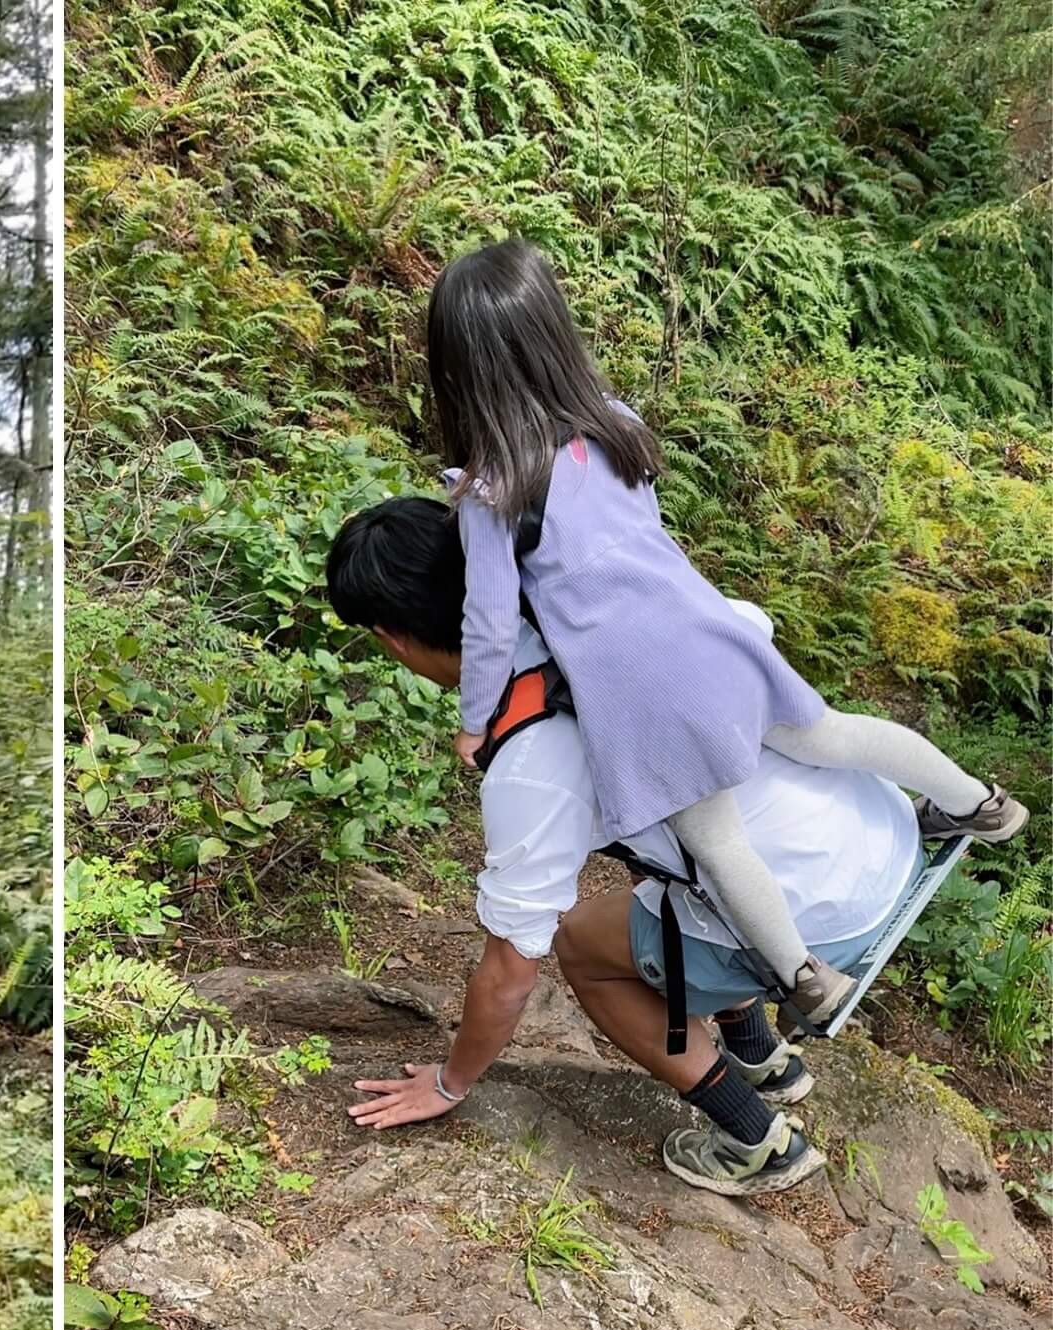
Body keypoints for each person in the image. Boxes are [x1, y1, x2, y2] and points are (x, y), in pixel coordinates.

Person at [425, 240, 1026, 1026]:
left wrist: (476, 723)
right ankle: (978, 802)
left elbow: (490, 623)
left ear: (458, 372)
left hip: (644, 687)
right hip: (713, 633)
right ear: (554, 337)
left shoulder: (494, 494)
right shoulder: (615, 426)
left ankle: (805, 974)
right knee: (830, 736)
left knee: (713, 836)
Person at [327, 494, 933, 1195]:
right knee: (674, 875)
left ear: (392, 639)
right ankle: (764, 1057)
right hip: (888, 833)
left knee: (584, 943)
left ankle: (755, 1138)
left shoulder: (532, 756)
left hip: (826, 921)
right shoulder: (616, 602)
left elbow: (509, 970)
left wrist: (451, 1080)